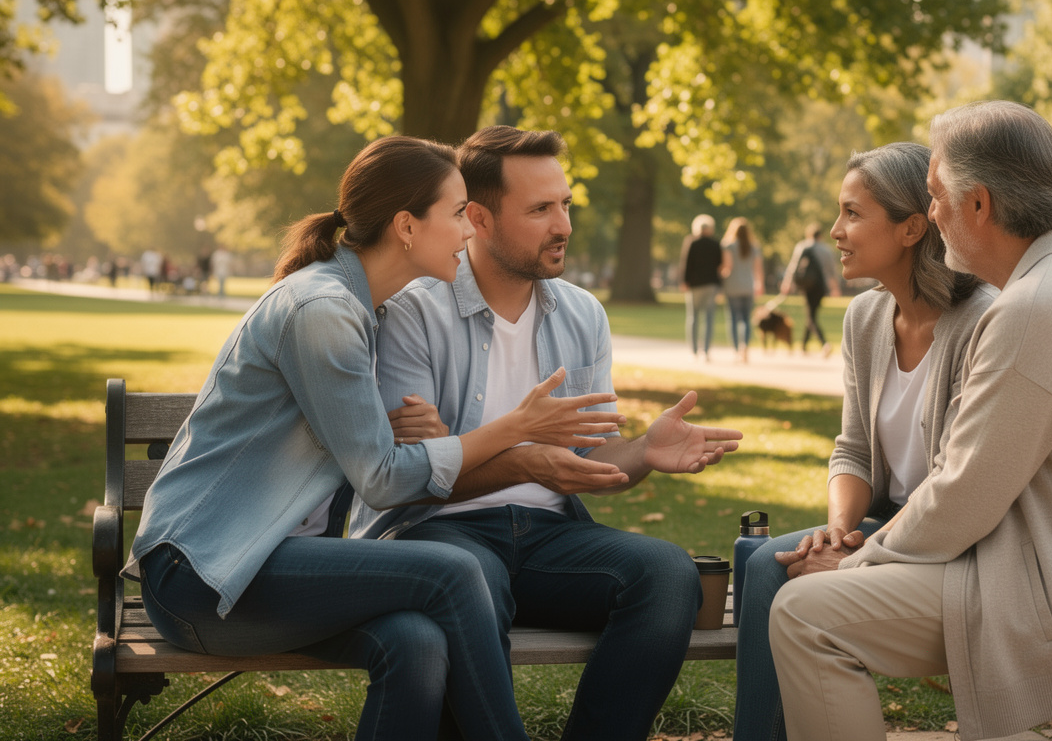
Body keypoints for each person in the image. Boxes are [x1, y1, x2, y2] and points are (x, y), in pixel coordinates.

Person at [121, 136, 626, 741]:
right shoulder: (323, 309)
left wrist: (388, 433)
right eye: (459, 213)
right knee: (454, 570)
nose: (472, 231)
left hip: (271, 567)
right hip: (206, 573)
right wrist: (513, 429)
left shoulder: (362, 307)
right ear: (407, 226)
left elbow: (352, 446)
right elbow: (383, 480)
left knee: (415, 641)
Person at [768, 101, 1052, 741]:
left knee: (804, 614)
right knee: (776, 570)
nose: (932, 215)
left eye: (937, 197)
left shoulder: (1034, 308)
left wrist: (855, 564)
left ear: (980, 205)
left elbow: (963, 494)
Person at [349, 126, 744, 741]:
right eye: (539, 210)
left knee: (667, 575)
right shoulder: (412, 312)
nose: (562, 225)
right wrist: (525, 462)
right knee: (469, 583)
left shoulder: (582, 313)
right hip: (441, 535)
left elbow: (582, 458)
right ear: (476, 217)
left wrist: (642, 449)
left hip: (552, 536)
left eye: (565, 204)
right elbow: (407, 483)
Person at [733, 142, 996, 741]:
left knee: (768, 567)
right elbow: (852, 447)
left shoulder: (982, 320)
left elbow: (960, 482)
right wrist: (838, 530)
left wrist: (862, 552)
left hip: (953, 537)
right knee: (757, 556)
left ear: (910, 227)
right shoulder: (865, 319)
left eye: (853, 213)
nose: (835, 230)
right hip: (882, 521)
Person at [780, 221, 841, 356]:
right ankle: (804, 345)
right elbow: (832, 271)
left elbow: (793, 266)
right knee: (812, 313)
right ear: (820, 235)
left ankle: (824, 343)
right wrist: (835, 288)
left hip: (806, 285)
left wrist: (787, 282)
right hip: (820, 286)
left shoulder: (801, 246)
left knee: (811, 315)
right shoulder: (826, 249)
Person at [721, 216, 766, 362]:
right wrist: (760, 285)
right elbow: (758, 269)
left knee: (733, 319)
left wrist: (720, 279)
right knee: (746, 320)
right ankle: (744, 347)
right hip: (748, 287)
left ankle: (735, 350)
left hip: (732, 287)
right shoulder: (754, 247)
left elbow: (727, 268)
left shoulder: (728, 246)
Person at [679, 213, 723, 360]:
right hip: (711, 285)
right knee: (708, 317)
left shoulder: (692, 242)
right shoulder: (716, 244)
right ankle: (706, 350)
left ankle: (694, 350)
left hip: (695, 285)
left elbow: (687, 263)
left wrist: (684, 281)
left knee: (693, 317)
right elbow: (719, 266)